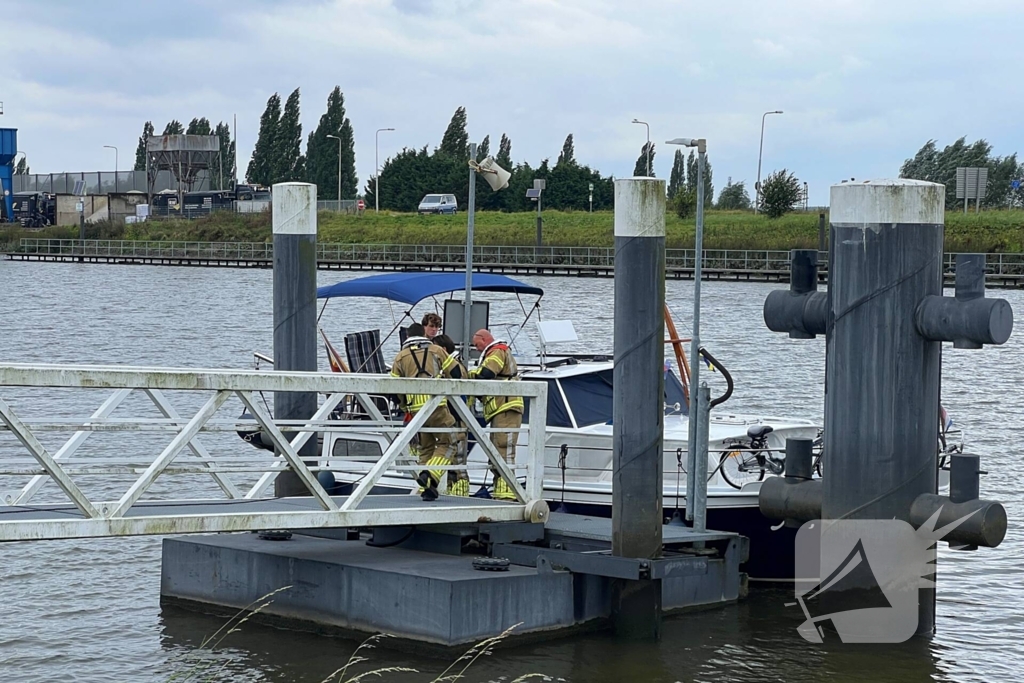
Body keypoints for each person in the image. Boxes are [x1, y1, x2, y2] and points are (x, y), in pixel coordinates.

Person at [389, 322, 455, 501]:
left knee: (425, 449)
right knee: (449, 443)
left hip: (415, 412)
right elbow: (457, 373)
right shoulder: (436, 350)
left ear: (407, 337)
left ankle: (426, 490)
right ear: (424, 335)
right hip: (436, 406)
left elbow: (393, 390)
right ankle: (431, 475)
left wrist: (404, 406)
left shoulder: (400, 357)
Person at [469, 328, 523, 501]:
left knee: (504, 448)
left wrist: (471, 374)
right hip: (501, 408)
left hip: (506, 407)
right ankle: (501, 491)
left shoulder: (497, 351)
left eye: (476, 344)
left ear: (484, 340)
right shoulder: (498, 351)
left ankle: (507, 493)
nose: (476, 348)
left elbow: (487, 373)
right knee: (498, 451)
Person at [431, 333, 470, 496]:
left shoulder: (455, 367)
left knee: (457, 462)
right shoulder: (456, 364)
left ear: (443, 350)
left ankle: (461, 496)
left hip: (457, 419)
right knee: (452, 459)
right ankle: (449, 493)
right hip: (453, 418)